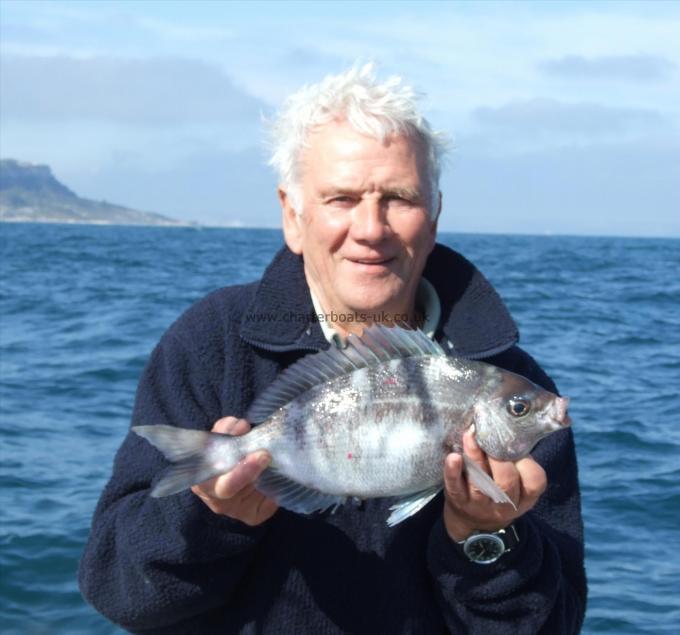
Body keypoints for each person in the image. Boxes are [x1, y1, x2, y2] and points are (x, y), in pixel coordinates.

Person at [79, 65, 586, 634]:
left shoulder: (510, 381)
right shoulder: (209, 343)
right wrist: (210, 516)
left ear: (435, 213)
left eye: (399, 197)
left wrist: (484, 538)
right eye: (341, 198)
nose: (371, 228)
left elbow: (549, 628)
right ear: (292, 216)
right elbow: (118, 593)